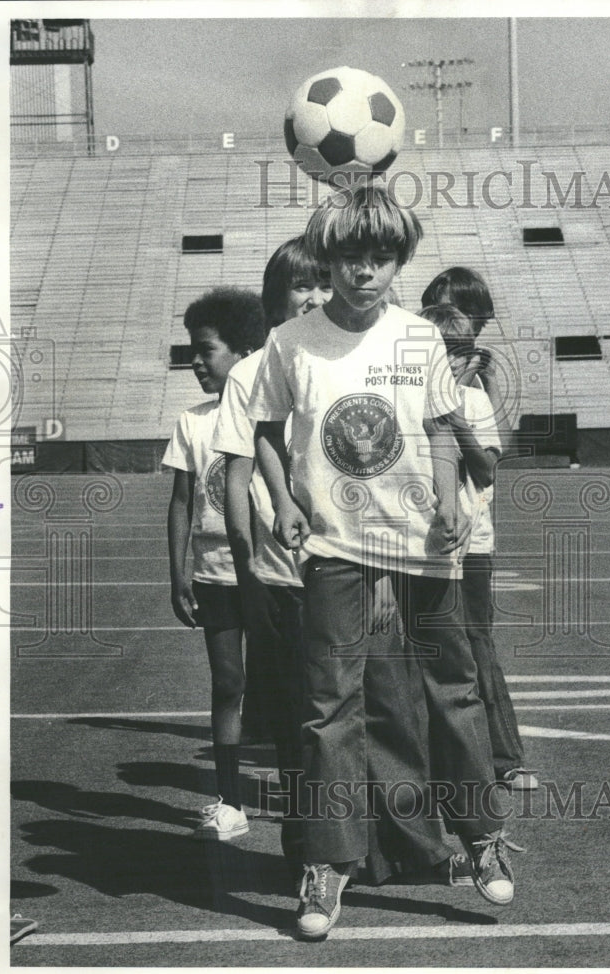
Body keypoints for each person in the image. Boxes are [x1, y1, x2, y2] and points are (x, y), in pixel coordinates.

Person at [249, 182, 523, 941]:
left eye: (380, 258)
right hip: (335, 545)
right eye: (350, 260)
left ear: (397, 260)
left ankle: (479, 837)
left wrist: (446, 504)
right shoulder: (291, 341)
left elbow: (439, 428)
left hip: (421, 544)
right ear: (328, 260)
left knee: (454, 689)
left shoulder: (418, 336)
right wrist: (285, 503)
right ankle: (328, 861)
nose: (364, 273)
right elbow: (268, 431)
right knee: (326, 705)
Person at [213, 237, 332, 879]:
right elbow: (236, 477)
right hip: (282, 573)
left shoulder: (343, 359)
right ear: (275, 296)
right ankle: (308, 847)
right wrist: (247, 572)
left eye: (324, 284)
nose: (314, 298)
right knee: (296, 720)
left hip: (348, 562)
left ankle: (356, 840)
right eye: (300, 287)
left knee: (350, 708)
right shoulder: (248, 372)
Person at [163, 286, 266, 839]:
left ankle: (313, 793)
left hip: (271, 573)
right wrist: (179, 573)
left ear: (245, 350)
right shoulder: (193, 421)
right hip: (215, 574)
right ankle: (230, 801)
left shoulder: (273, 417)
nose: (196, 361)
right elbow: (183, 502)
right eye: (193, 351)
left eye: (207, 349)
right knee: (228, 682)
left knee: (297, 686)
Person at [419, 303, 535, 790]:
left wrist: (453, 410)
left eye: (463, 350)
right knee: (420, 647)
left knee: (476, 643)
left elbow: (486, 470)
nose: (458, 358)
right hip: (419, 538)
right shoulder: (405, 393)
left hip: (472, 540)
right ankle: (433, 758)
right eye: (448, 349)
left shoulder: (473, 401)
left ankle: (505, 757)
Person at [420, 266, 511, 455]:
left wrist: (490, 380)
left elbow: (504, 450)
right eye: (448, 308)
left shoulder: (473, 367)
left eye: (466, 311)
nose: (457, 317)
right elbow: (447, 406)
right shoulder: (423, 361)